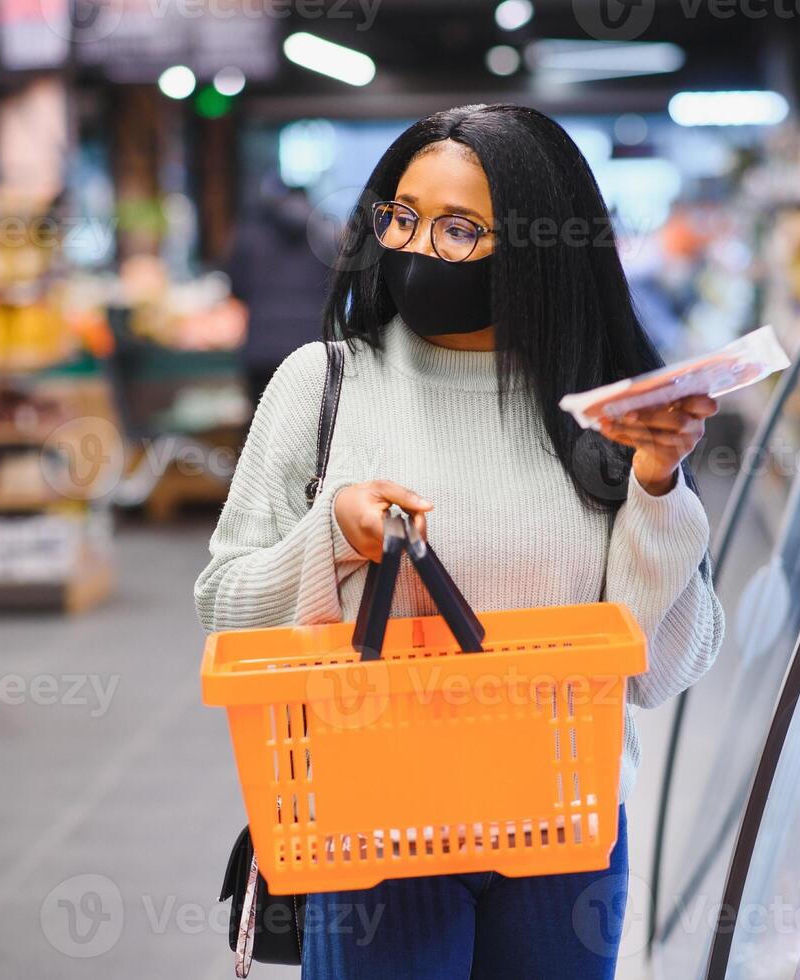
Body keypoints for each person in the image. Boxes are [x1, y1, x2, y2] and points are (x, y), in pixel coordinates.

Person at [194, 103, 725, 980]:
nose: (414, 248)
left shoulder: (603, 409)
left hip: (565, 830)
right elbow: (224, 607)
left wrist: (658, 490)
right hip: (373, 831)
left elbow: (658, 669)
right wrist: (330, 537)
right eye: (399, 218)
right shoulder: (320, 385)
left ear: (536, 248)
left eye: (457, 230)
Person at [226, 180, 337, 404]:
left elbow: (237, 288)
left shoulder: (250, 235)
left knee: (261, 427)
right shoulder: (327, 235)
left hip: (261, 348)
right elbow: (337, 290)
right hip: (312, 349)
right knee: (311, 429)